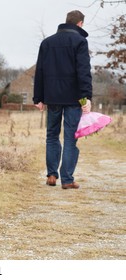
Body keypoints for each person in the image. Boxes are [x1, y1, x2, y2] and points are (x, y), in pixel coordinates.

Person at [33, 10, 92, 190]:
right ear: (80, 24)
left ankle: (51, 175)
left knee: (51, 136)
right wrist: (86, 98)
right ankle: (67, 179)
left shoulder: (47, 43)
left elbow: (40, 72)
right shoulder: (80, 42)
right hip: (74, 98)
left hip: (52, 98)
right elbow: (83, 72)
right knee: (70, 138)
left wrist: (38, 97)